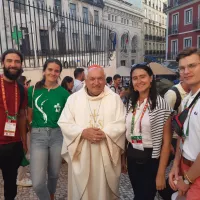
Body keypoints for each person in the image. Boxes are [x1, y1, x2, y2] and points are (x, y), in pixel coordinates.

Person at [58, 64, 126, 200]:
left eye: (100, 79)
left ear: (105, 79)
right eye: (92, 79)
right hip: (81, 154)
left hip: (106, 154)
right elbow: (64, 122)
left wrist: (105, 133)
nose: (96, 83)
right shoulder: (74, 99)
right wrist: (82, 132)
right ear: (86, 80)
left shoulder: (114, 99)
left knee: (103, 192)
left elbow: (122, 122)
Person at [124, 63, 172, 200]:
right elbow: (127, 131)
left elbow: (167, 142)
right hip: (132, 155)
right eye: (135, 78)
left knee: (145, 197)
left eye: (142, 77)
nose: (139, 81)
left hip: (150, 158)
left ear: (151, 78)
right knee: (138, 194)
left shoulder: (160, 104)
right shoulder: (131, 102)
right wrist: (124, 159)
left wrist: (161, 173)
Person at [27, 59, 70, 200]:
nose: (53, 73)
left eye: (56, 70)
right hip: (38, 135)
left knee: (54, 174)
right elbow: (29, 113)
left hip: (57, 135)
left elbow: (68, 118)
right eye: (50, 69)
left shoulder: (65, 94)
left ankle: (51, 194)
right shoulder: (32, 90)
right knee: (38, 182)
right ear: (44, 70)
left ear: (59, 73)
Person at [169, 47, 200, 200]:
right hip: (185, 167)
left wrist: (187, 179)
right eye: (182, 68)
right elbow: (183, 137)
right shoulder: (188, 98)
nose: (186, 71)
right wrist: (175, 165)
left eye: (192, 66)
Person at [0, 49, 27, 200]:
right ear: (3, 63)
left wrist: (24, 140)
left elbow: (22, 115)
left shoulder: (22, 89)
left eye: (17, 61)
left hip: (13, 144)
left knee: (11, 183)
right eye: (9, 61)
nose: (13, 64)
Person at [16, 75, 32, 187]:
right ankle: (21, 178)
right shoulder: (23, 92)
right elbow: (25, 114)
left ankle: (22, 174)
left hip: (20, 129)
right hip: (22, 130)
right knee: (24, 152)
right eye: (27, 83)